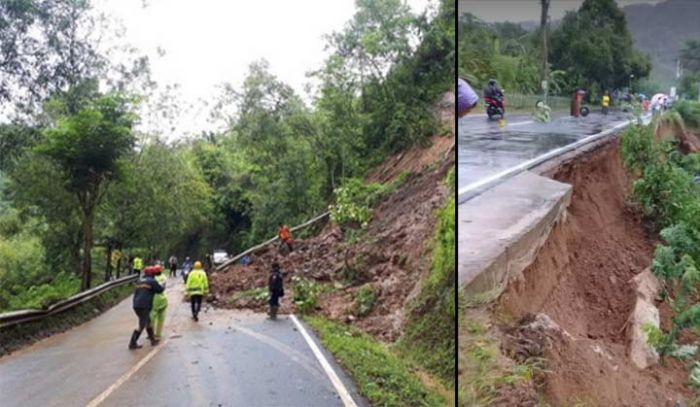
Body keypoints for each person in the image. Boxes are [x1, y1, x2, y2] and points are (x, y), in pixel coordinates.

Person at [129, 266, 164, 350]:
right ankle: (132, 343)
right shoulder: (152, 281)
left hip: (136, 305)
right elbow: (160, 290)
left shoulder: (139, 281)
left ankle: (153, 340)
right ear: (152, 274)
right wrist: (163, 285)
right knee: (142, 324)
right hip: (144, 306)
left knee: (148, 322)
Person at [149, 265, 168, 340]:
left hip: (154, 299)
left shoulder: (152, 279)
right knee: (161, 317)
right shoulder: (164, 277)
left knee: (152, 317)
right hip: (163, 299)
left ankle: (151, 333)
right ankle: (158, 333)